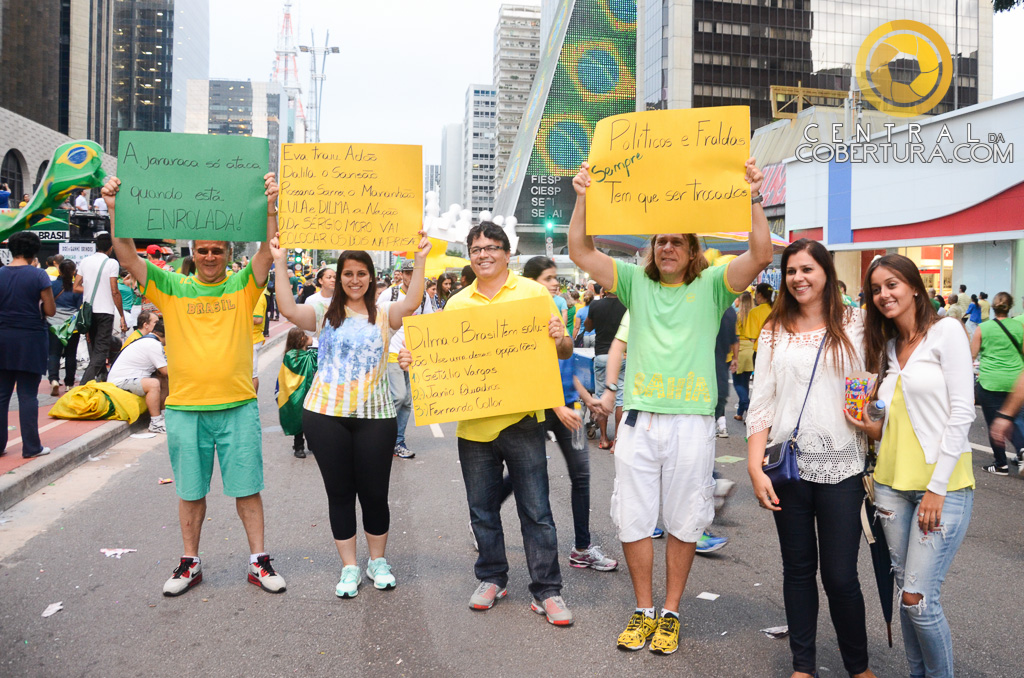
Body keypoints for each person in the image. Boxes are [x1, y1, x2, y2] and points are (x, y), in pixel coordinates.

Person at [568, 157, 772, 654]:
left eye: (677, 241)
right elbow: (579, 249)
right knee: (633, 518)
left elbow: (762, 253)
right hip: (639, 421)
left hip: (692, 423)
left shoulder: (713, 285)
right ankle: (643, 610)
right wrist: (582, 197)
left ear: (692, 249)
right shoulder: (633, 282)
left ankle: (672, 612)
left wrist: (753, 196)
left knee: (684, 520)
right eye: (660, 240)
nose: (668, 247)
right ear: (651, 248)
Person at [105, 171, 287, 597]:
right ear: (192, 253)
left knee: (248, 489)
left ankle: (258, 562)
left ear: (228, 254)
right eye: (202, 250)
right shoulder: (171, 287)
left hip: (237, 406)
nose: (209, 256)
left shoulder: (243, 286)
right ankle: (190, 563)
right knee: (190, 492)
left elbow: (268, 249)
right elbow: (127, 257)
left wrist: (271, 207)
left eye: (217, 250)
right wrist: (114, 209)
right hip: (186, 409)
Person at [399, 222, 575, 626]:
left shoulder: (533, 295)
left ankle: (547, 590)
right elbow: (443, 360)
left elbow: (564, 350)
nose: (483, 255)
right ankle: (492, 578)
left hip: (523, 421)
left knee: (537, 511)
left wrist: (559, 336)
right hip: (474, 425)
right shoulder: (457, 304)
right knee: (482, 510)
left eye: (491, 248)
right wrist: (416, 362)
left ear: (507, 253)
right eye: (476, 249)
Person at [271, 231, 431, 598]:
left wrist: (420, 259)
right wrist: (280, 262)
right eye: (348, 273)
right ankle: (349, 566)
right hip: (325, 415)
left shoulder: (386, 314)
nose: (355, 280)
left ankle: (378, 561)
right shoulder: (322, 312)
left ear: (371, 278)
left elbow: (413, 301)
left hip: (376, 416)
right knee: (340, 493)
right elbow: (287, 309)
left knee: (375, 494)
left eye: (361, 273)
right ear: (338, 277)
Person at [746, 240, 874, 678]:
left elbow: (874, 380)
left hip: (843, 465)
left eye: (807, 269)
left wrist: (870, 416)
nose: (798, 278)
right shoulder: (774, 328)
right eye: (791, 271)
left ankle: (858, 667)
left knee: (840, 577)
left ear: (826, 273)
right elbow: (762, 400)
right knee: (798, 571)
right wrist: (754, 465)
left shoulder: (856, 323)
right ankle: (804, 666)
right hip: (788, 468)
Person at [845, 254, 975, 678]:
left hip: (942, 487)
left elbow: (962, 412)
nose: (884, 295)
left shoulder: (946, 332)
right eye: (876, 289)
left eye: (892, 284)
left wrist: (937, 487)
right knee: (906, 594)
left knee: (919, 599)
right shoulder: (887, 348)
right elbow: (891, 426)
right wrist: (869, 427)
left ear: (915, 287)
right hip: (890, 486)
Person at [492, 256, 618, 573]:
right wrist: (556, 405)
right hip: (538, 411)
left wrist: (587, 399)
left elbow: (566, 365)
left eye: (555, 279)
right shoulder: (518, 319)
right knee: (524, 475)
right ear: (531, 283)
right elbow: (524, 373)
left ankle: (582, 548)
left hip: (569, 408)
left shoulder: (557, 315)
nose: (554, 284)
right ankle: (484, 515)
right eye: (548, 278)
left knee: (581, 476)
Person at [0, 231, 56, 459]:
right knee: (27, 395)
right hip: (31, 340)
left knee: (2, 395)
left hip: (3, 337)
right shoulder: (39, 275)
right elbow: (50, 310)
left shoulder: (0, 273)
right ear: (35, 251)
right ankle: (31, 447)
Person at [379, 258, 435, 459]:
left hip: (412, 355)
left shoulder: (423, 297)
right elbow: (376, 320)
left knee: (408, 402)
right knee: (398, 396)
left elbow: (428, 321)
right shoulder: (390, 294)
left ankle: (398, 441)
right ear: (401, 274)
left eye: (415, 273)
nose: (411, 277)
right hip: (391, 352)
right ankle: (382, 437)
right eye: (408, 273)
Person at [969, 291, 1024, 475]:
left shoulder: (982, 328)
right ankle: (1021, 450)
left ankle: (1001, 464)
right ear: (1010, 307)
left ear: (993, 307)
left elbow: (971, 356)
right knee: (1015, 419)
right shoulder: (1019, 327)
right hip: (1016, 382)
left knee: (995, 423)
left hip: (990, 382)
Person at [78, 233, 128, 383]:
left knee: (94, 346)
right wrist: (121, 315)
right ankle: (83, 384)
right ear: (111, 248)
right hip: (105, 311)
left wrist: (89, 290)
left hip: (88, 311)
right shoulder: (112, 263)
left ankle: (102, 377)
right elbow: (114, 291)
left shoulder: (85, 261)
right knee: (101, 350)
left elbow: (76, 286)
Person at [107, 319, 168, 434]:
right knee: (153, 384)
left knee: (162, 380)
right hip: (120, 381)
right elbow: (166, 371)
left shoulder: (149, 340)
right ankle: (155, 423)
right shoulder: (153, 344)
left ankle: (164, 416)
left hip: (129, 378)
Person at [585, 285, 626, 450]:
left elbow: (588, 327)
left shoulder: (596, 305)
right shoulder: (627, 305)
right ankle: (617, 439)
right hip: (623, 355)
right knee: (621, 399)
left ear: (604, 290)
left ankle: (603, 438)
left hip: (602, 355)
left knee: (602, 396)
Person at [276, 327, 317, 458]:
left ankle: (312, 443)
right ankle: (298, 446)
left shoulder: (310, 354)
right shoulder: (291, 356)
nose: (309, 337)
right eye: (306, 335)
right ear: (302, 339)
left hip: (309, 392)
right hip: (296, 394)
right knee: (298, 418)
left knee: (311, 419)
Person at [735, 284, 773, 421]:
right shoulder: (777, 310)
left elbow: (751, 336)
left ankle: (756, 417)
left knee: (759, 387)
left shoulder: (755, 312)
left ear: (760, 295)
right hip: (778, 352)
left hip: (760, 352)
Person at [47, 259, 84, 396]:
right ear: (74, 272)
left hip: (53, 324)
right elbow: (79, 308)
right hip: (71, 325)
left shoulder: (51, 286)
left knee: (53, 353)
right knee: (71, 354)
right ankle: (69, 383)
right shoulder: (77, 289)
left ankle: (54, 380)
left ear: (59, 270)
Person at [715, 300, 738, 438]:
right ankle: (721, 425)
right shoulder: (730, 312)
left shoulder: (703, 308)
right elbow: (734, 339)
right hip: (721, 364)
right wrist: (735, 357)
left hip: (700, 366)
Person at [251, 289, 267, 392]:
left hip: (253, 339)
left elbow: (258, 319)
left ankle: (253, 399)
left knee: (252, 374)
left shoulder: (258, 296)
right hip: (248, 339)